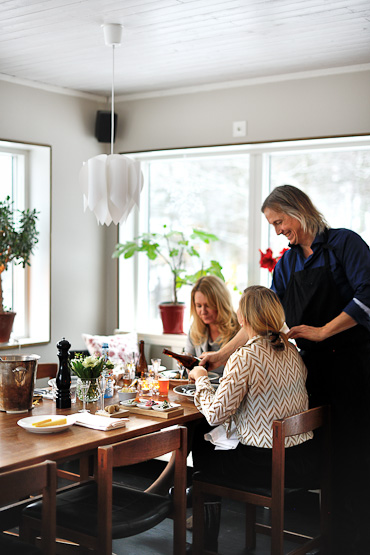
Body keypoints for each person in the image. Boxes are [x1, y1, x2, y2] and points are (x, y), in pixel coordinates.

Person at [201, 185, 370, 554]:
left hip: (352, 370)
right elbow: (260, 320)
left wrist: (324, 330)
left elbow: (367, 297)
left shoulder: (345, 244)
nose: (277, 230)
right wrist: (221, 355)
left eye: (279, 221)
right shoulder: (288, 263)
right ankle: (332, 539)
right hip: (313, 371)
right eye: (273, 225)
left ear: (299, 209)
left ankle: (354, 542)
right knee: (324, 457)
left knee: (352, 458)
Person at [189, 286, 317, 552]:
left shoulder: (245, 357)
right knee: (211, 443)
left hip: (266, 466)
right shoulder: (292, 352)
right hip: (303, 460)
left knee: (201, 441)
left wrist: (201, 378)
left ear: (243, 319)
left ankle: (205, 539)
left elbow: (215, 414)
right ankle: (196, 497)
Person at [185, 275, 240, 378]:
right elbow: (187, 365)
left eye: (208, 305)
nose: (203, 311)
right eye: (199, 306)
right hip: (200, 388)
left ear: (220, 303)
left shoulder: (240, 328)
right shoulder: (195, 329)